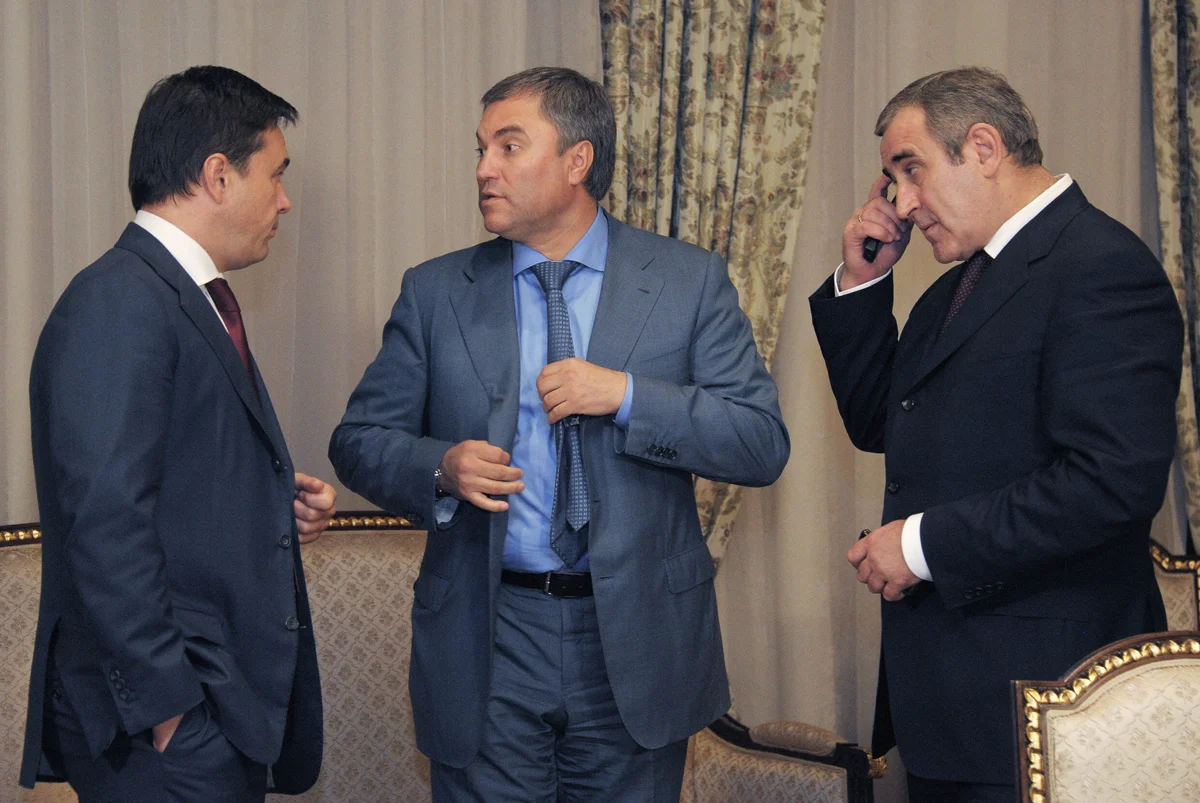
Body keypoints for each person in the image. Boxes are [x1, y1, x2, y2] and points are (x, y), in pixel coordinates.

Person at [329, 66, 789, 801]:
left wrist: (628, 396)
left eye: (509, 147)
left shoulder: (688, 281)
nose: (484, 168)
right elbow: (357, 440)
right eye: (481, 149)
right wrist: (441, 467)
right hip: (490, 636)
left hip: (638, 638)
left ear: (578, 160)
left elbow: (760, 441)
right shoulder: (436, 291)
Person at [810, 66, 1183, 802]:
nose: (901, 204)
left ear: (982, 147)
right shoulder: (953, 289)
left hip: (1053, 704)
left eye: (910, 170)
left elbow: (1110, 483)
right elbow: (883, 421)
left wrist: (920, 545)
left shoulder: (1102, 265)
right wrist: (863, 282)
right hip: (953, 699)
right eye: (892, 181)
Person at [19, 65, 337, 802]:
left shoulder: (177, 295)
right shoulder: (120, 301)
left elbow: (165, 478)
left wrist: (271, 498)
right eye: (276, 174)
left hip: (205, 706)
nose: (284, 201)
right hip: (163, 726)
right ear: (218, 175)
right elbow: (105, 523)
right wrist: (170, 714)